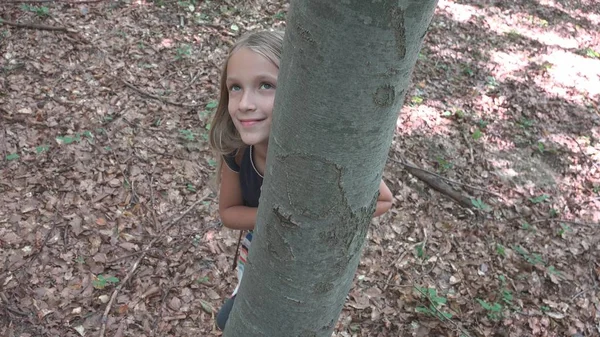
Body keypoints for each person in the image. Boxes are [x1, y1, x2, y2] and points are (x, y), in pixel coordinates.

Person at [208, 30, 393, 331]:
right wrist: (282, 219)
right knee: (229, 322)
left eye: (266, 85)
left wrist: (318, 222)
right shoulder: (238, 153)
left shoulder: (324, 154)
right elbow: (229, 213)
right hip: (257, 259)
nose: (244, 103)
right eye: (235, 88)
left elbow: (383, 199)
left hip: (309, 271)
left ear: (298, 91)